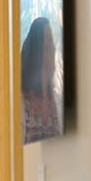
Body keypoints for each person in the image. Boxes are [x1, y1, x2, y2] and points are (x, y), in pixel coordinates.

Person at [20, 15, 61, 143]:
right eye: (49, 40)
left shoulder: (57, 100)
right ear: (38, 50)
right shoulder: (21, 103)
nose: (54, 48)